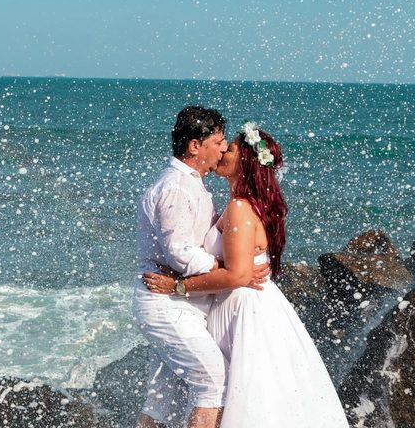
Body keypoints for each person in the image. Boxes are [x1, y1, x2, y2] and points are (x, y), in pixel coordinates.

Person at [143, 123, 349, 428]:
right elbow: (234, 269)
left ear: (247, 161)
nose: (224, 150)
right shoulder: (241, 205)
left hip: (242, 309)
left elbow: (237, 274)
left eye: (232, 147)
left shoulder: (240, 207)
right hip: (242, 305)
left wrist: (178, 286)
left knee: (237, 394)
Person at [132, 107, 270, 428]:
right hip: (167, 304)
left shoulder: (193, 185)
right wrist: (226, 267)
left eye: (226, 143)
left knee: (162, 401)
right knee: (213, 381)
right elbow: (180, 253)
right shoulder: (176, 188)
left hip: (181, 304)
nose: (223, 148)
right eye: (219, 141)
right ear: (195, 146)